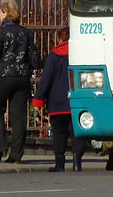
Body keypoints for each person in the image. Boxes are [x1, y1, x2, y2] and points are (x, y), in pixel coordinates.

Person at [0, 0, 42, 163]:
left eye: (0, 11)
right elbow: (33, 56)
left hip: (4, 76)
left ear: (5, 13)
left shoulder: (1, 32)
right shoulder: (25, 32)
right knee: (19, 117)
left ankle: (1, 148)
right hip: (22, 77)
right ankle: (16, 155)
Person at [32, 27, 86, 172]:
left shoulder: (54, 55)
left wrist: (38, 100)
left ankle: (60, 164)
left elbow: (46, 80)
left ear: (59, 39)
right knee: (77, 134)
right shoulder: (81, 54)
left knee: (59, 134)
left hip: (57, 102)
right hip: (77, 101)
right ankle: (77, 163)